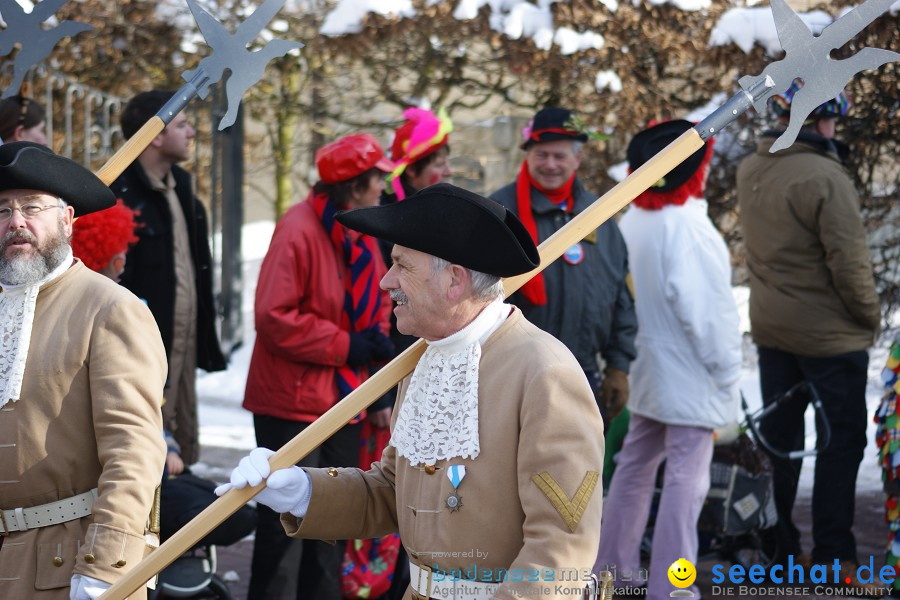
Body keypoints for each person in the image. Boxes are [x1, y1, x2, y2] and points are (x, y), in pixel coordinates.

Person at [220, 183, 606, 600]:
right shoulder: (423, 360)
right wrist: (303, 490)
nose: (386, 282)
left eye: (402, 265)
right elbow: (393, 491)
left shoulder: (545, 372)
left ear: (454, 281)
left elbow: (560, 551)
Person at [0, 141, 166, 599]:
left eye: (32, 207)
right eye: (2, 210)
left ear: (67, 219)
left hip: (67, 563)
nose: (16, 222)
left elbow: (134, 453)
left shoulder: (111, 308)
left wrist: (105, 569)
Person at [736, 81, 882, 588]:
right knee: (841, 443)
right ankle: (833, 556)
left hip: (773, 329)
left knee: (780, 442)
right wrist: (870, 318)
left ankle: (778, 550)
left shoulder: (751, 167)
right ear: (822, 121)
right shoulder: (825, 175)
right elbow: (851, 264)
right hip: (829, 337)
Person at [241, 133, 395, 599]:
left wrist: (376, 386)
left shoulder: (357, 228)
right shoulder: (299, 227)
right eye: (377, 180)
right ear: (353, 185)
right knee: (281, 527)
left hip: (343, 401)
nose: (383, 188)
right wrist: (347, 345)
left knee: (332, 525)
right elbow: (273, 315)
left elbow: (377, 307)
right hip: (291, 403)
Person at [594, 120, 742, 599]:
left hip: (648, 368)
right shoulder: (691, 229)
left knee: (634, 467)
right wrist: (727, 376)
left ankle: (610, 571)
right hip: (692, 374)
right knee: (685, 481)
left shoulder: (633, 220)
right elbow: (711, 319)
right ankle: (672, 586)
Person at [68, 197, 256, 551]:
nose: (125, 265)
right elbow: (129, 407)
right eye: (120, 256)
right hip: (119, 477)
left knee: (225, 502)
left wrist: (165, 443)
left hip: (126, 468)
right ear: (108, 259)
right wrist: (161, 446)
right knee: (227, 511)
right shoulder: (117, 312)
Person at [489, 106, 636, 422]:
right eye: (542, 155)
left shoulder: (600, 215)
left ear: (577, 159)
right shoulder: (499, 213)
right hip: (511, 376)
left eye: (560, 156)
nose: (550, 164)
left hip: (583, 376)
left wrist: (618, 367)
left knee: (580, 471)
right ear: (527, 155)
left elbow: (622, 297)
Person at [110, 89, 227, 466]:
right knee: (143, 457)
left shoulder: (185, 192)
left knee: (180, 452)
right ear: (155, 135)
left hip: (183, 352)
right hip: (141, 357)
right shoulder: (118, 196)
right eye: (182, 124)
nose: (192, 132)